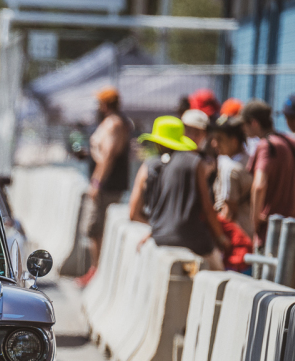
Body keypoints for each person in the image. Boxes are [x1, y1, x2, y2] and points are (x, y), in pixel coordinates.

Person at [128, 116, 229, 268]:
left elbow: (133, 213)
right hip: (193, 240)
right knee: (219, 272)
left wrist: (158, 226)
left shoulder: (147, 166)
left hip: (159, 238)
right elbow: (207, 208)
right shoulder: (194, 162)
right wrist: (221, 238)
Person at [241, 99, 295, 250]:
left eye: (244, 125)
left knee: (265, 266)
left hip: (270, 231)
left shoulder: (266, 145)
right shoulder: (292, 142)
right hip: (293, 228)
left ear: (253, 123)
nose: (243, 130)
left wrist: (255, 220)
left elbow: (259, 185)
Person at [79, 87, 132, 278]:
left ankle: (97, 270)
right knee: (96, 228)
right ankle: (96, 269)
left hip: (106, 186)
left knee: (96, 228)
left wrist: (96, 183)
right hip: (108, 184)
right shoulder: (117, 122)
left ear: (105, 104)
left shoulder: (114, 124)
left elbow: (108, 156)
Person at [210, 116, 255, 237]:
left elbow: (229, 212)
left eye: (219, 139)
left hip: (237, 233)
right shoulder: (250, 160)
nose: (214, 144)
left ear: (234, 141)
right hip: (251, 228)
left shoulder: (230, 170)